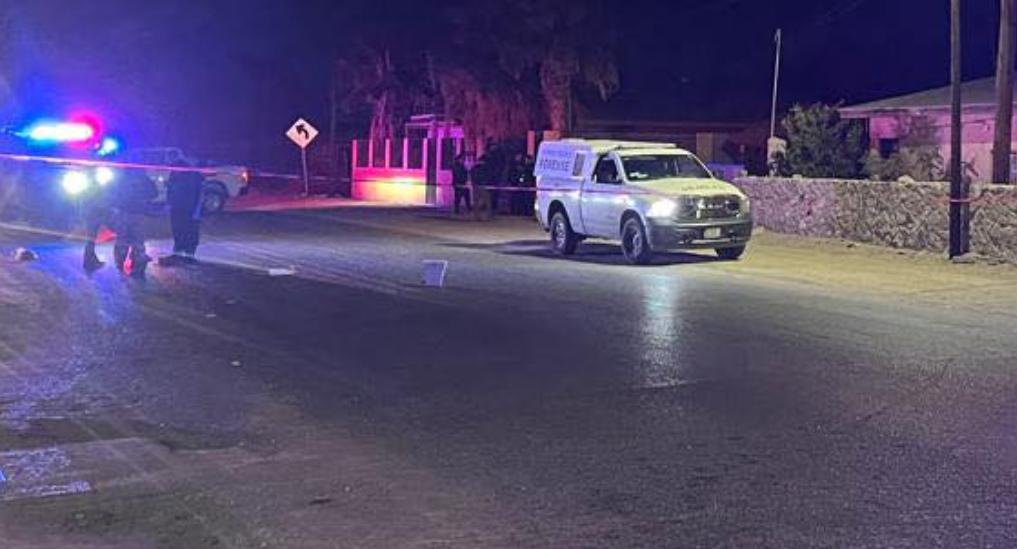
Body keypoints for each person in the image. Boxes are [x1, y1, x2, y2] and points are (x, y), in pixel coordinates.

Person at [111, 168, 156, 275]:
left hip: (124, 212)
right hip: (138, 213)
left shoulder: (122, 179)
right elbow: (154, 193)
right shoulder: (143, 178)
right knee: (137, 240)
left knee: (123, 239)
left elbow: (113, 194)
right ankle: (138, 265)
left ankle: (121, 263)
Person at [159, 164, 204, 266]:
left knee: (190, 232)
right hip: (177, 208)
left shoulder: (194, 174)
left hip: (190, 208)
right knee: (178, 231)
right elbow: (170, 188)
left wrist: (197, 211)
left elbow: (199, 193)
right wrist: (169, 203)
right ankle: (178, 253)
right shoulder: (175, 172)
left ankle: (189, 256)